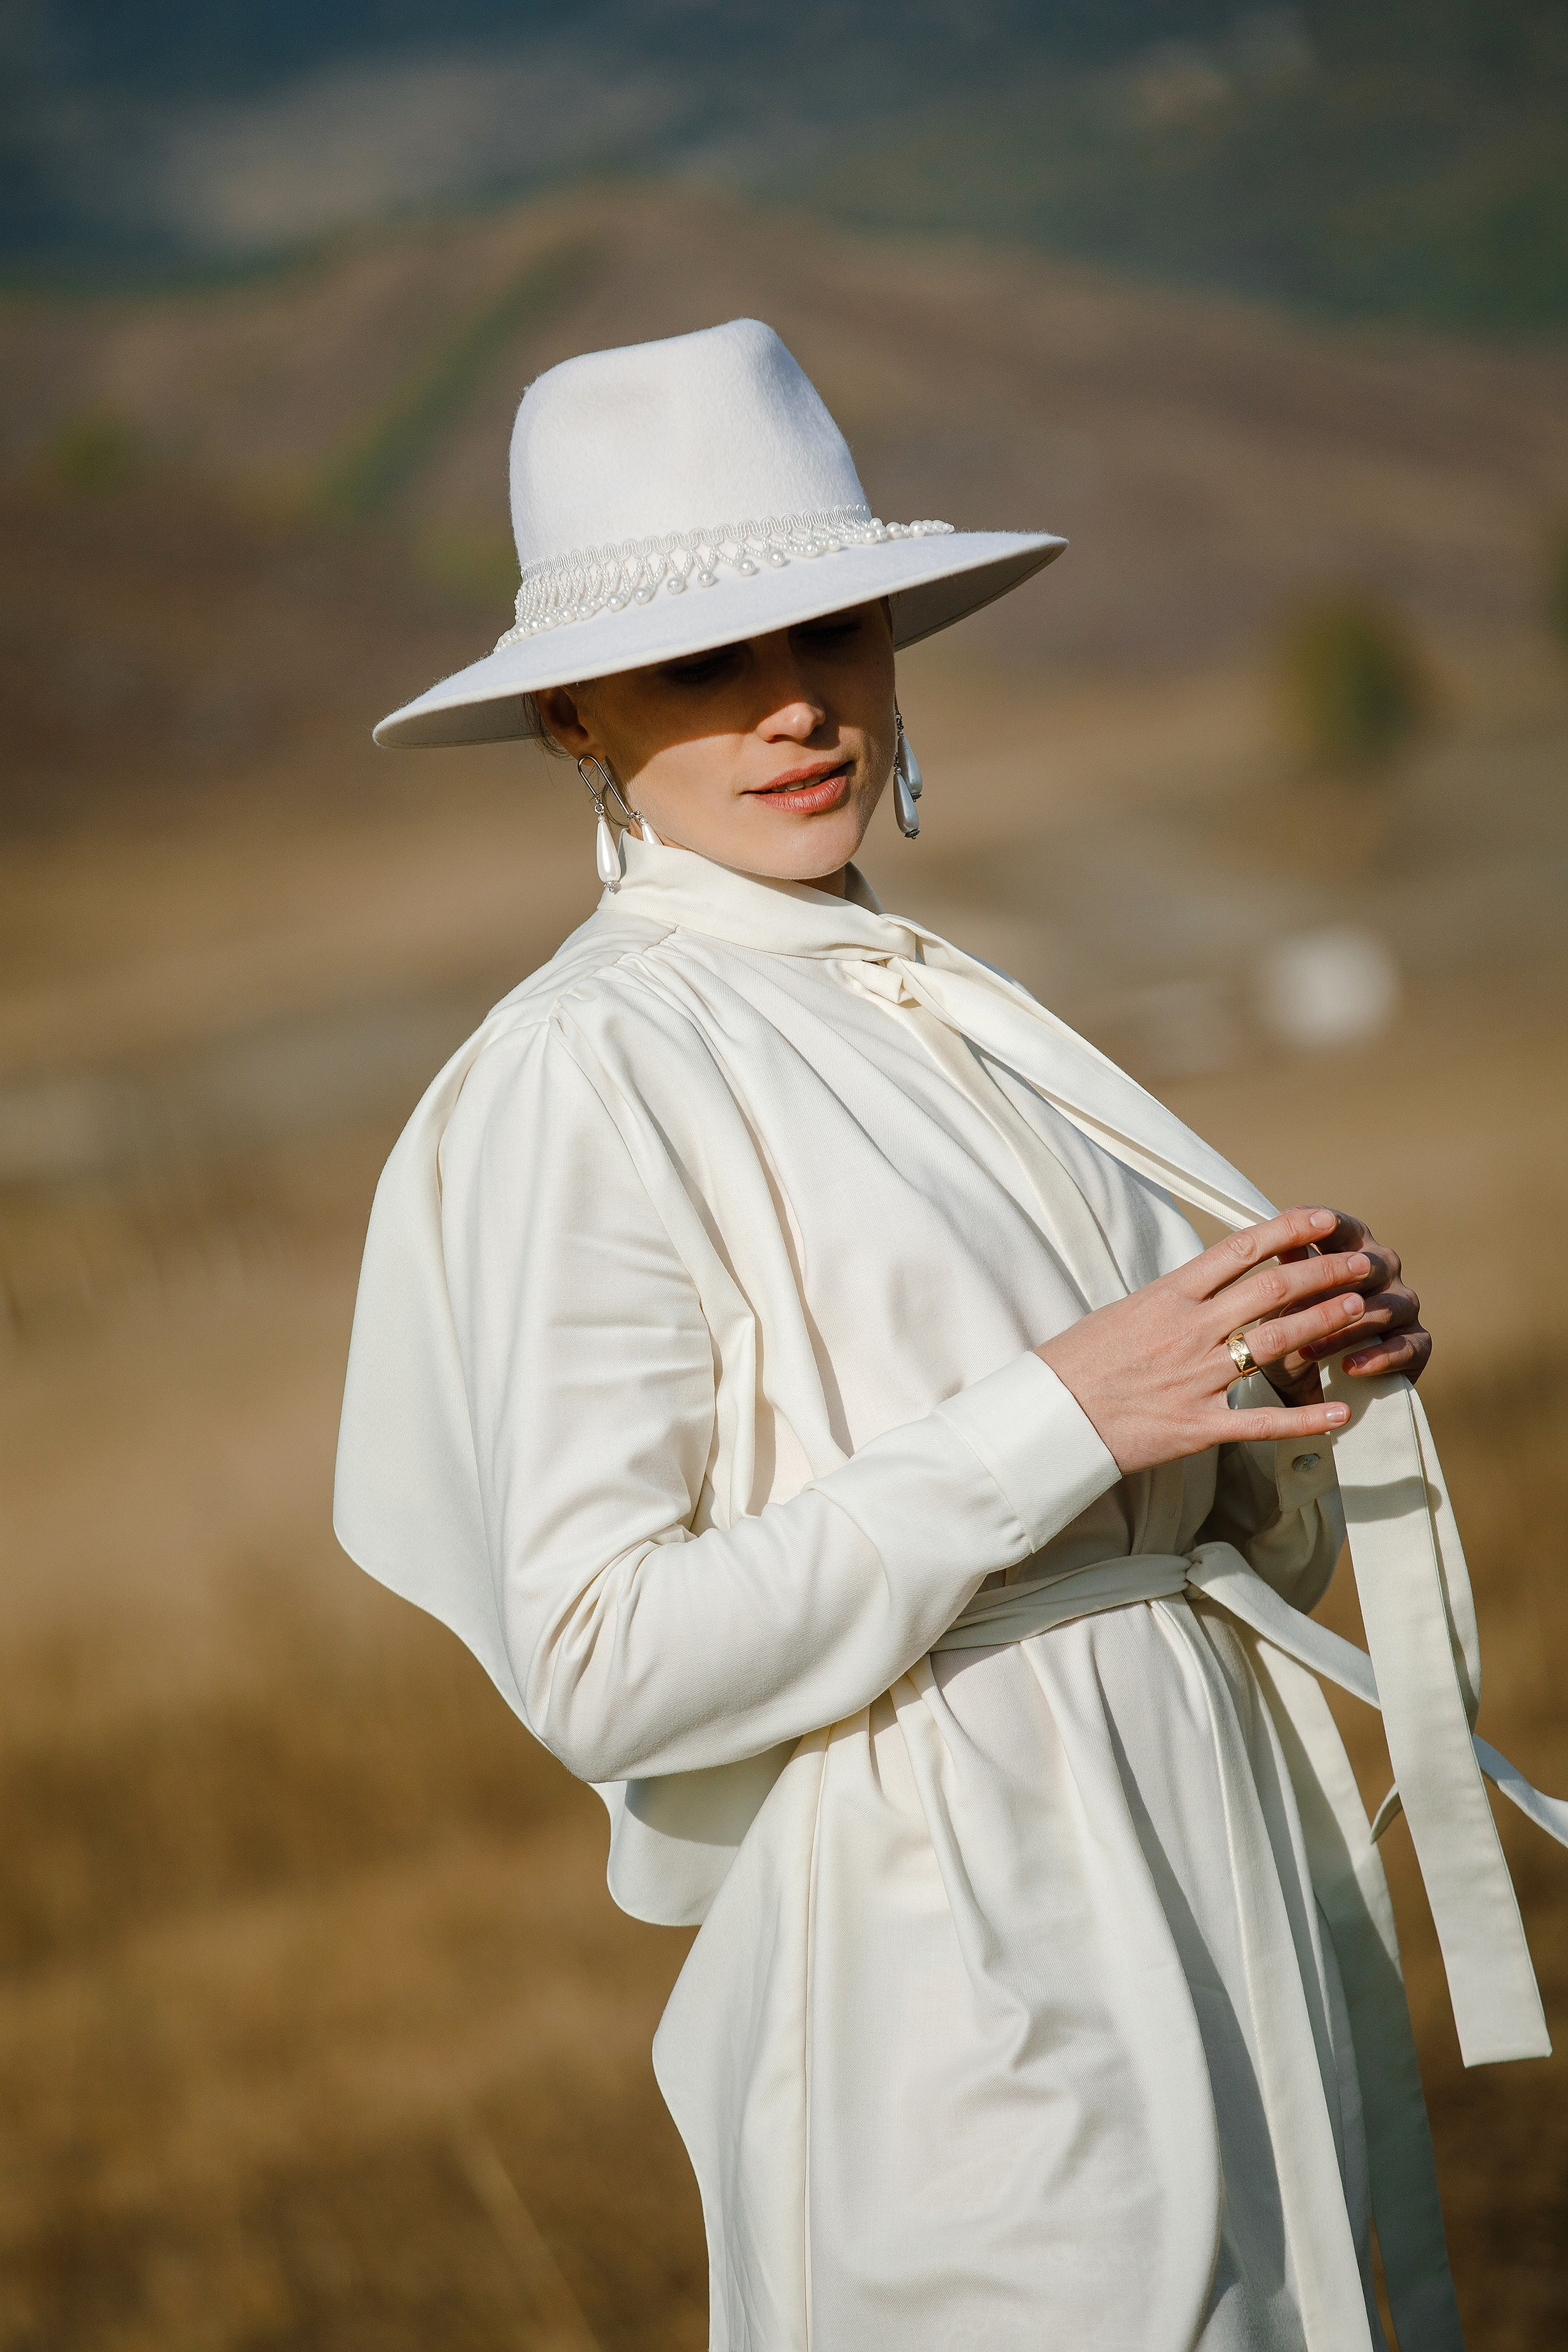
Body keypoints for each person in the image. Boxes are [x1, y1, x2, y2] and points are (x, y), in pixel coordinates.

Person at [336, 319, 1563, 2352]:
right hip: (955, 1963)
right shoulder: (584, 1067)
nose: (800, 707)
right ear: (573, 715)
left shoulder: (960, 1012)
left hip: (1238, 1885)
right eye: (708, 666)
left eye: (836, 628)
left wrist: (1272, 1411)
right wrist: (1062, 1411)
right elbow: (599, 1661)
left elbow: (1182, 1541)